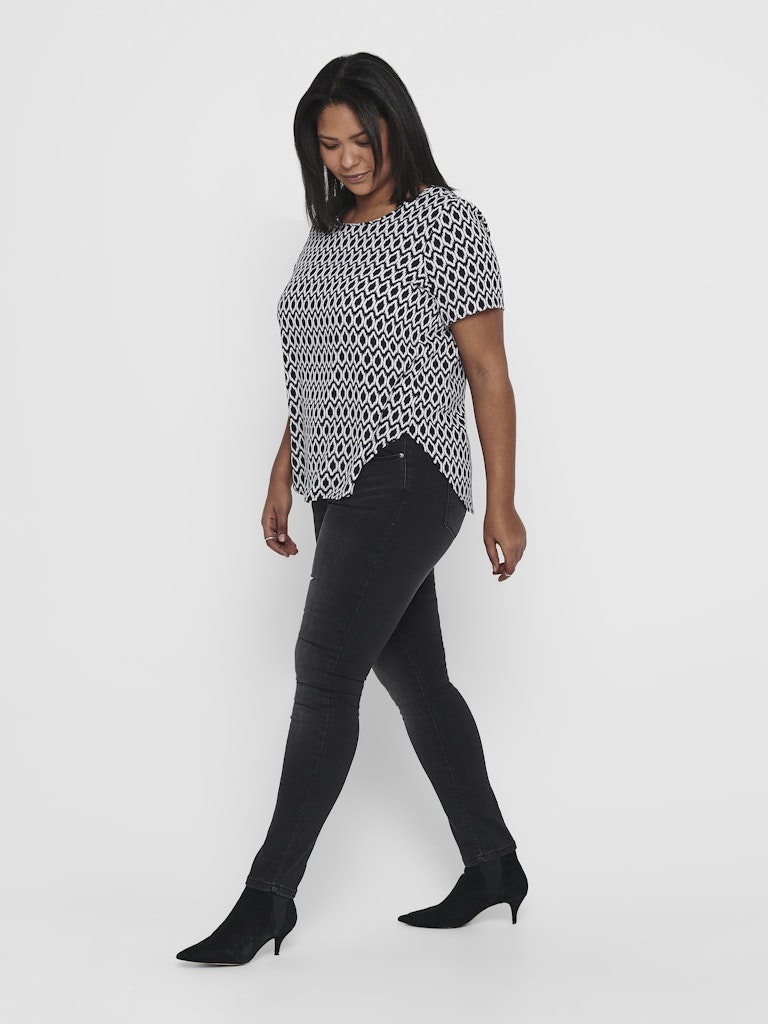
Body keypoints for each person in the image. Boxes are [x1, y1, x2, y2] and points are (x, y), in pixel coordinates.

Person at [177, 52, 528, 967]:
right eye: (328, 146)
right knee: (419, 683)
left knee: (324, 671)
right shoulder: (326, 232)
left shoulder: (446, 222)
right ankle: (493, 864)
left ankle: (268, 899)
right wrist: (282, 471)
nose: (347, 159)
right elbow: (320, 365)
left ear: (394, 126)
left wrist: (503, 502)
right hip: (337, 484)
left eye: (360, 139)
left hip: (409, 474)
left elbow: (488, 370)